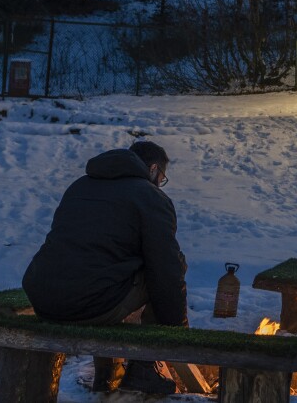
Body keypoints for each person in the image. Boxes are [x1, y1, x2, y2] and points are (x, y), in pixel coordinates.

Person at [22, 140, 189, 395]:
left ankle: (108, 375)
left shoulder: (79, 186)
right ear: (154, 169)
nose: (159, 183)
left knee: (108, 276)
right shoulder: (150, 197)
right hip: (90, 304)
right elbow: (166, 267)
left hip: (43, 298)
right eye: (162, 177)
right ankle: (143, 369)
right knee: (167, 265)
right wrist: (176, 327)